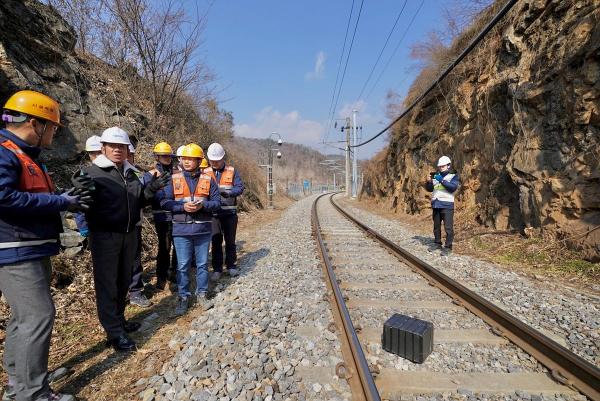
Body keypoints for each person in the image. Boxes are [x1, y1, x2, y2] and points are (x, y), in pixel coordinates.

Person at [0, 90, 90, 401]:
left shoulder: (22, 155)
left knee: (23, 318)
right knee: (38, 317)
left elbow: (30, 197)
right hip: (15, 248)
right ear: (35, 124)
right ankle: (32, 392)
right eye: (52, 127)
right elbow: (3, 198)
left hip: (30, 246)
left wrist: (67, 199)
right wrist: (58, 201)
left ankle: (19, 380)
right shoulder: (4, 152)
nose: (54, 133)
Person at [74, 127, 169, 351]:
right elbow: (80, 203)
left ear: (128, 149)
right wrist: (78, 196)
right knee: (107, 284)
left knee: (123, 281)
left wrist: (151, 190)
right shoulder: (90, 173)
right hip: (105, 236)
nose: (118, 150)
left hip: (129, 234)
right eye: (113, 146)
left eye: (122, 146)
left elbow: (138, 202)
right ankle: (114, 333)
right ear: (103, 148)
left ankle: (119, 320)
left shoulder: (132, 173)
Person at [157, 143, 220, 316]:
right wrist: (182, 207)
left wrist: (203, 205)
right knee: (182, 266)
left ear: (199, 161)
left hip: (202, 230)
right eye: (184, 158)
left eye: (191, 158)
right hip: (181, 231)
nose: (186, 161)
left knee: (202, 265)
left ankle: (202, 294)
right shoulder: (174, 179)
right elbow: (164, 202)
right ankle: (183, 297)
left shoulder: (208, 180)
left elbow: (217, 203)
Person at [206, 143, 245, 279]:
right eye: (212, 161)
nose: (215, 163)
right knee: (216, 242)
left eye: (217, 160)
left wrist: (230, 193)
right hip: (213, 214)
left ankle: (231, 266)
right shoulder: (205, 172)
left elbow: (240, 187)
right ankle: (217, 269)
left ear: (223, 158)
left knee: (230, 241)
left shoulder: (232, 171)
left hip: (229, 214)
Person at [146, 142, 178, 290]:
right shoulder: (151, 174)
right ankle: (161, 276)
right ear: (157, 157)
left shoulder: (177, 173)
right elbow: (146, 196)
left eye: (169, 155)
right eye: (163, 156)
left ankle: (174, 273)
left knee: (178, 246)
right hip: (161, 216)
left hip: (177, 215)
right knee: (164, 247)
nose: (167, 158)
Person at [125, 144, 152, 308]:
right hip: (114, 228)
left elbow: (142, 198)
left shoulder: (136, 174)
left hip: (135, 223)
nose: (128, 158)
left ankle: (135, 292)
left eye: (130, 155)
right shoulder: (104, 173)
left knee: (135, 258)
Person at [425, 155, 459, 255]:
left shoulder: (453, 176)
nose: (440, 168)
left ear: (448, 166)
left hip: (447, 205)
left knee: (448, 227)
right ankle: (437, 243)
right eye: (440, 166)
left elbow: (452, 188)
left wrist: (441, 180)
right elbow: (430, 189)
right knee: (436, 226)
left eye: (443, 166)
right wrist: (429, 182)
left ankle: (448, 247)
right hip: (436, 204)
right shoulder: (436, 176)